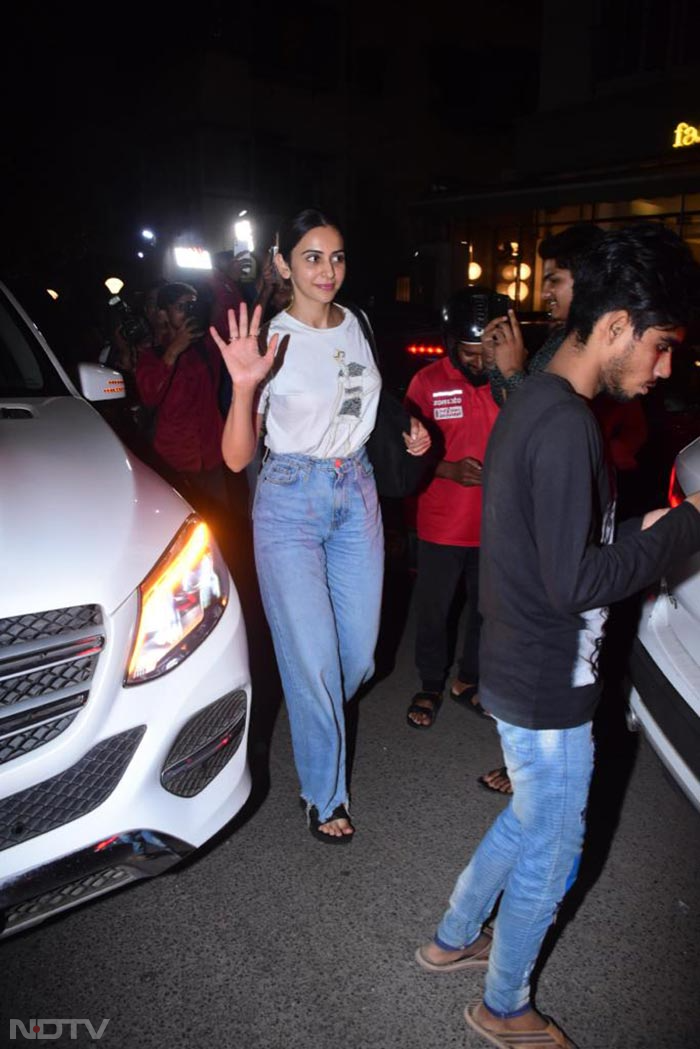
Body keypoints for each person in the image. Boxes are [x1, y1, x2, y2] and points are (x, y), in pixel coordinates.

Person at [415, 223, 700, 1049]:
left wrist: (642, 527)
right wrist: (682, 534)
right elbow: (575, 582)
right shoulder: (567, 423)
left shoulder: (536, 399)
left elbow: (558, 544)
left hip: (517, 658)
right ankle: (504, 1006)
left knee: (532, 817)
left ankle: (452, 936)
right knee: (557, 842)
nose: (666, 366)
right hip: (547, 677)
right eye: (660, 344)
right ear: (615, 327)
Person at [209, 208, 430, 843]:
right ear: (283, 263)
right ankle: (323, 794)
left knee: (358, 657)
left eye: (336, 257)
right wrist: (246, 386)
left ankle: (318, 707)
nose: (327, 270)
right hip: (288, 500)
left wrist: (404, 427)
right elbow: (235, 458)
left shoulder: (357, 322)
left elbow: (364, 393)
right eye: (312, 257)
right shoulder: (269, 340)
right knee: (311, 659)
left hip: (356, 490)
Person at [403, 287, 501, 729]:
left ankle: (469, 679)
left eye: (487, 352)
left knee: (488, 609)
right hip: (442, 523)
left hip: (498, 525)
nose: (478, 363)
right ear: (451, 345)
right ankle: (429, 683)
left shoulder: (512, 382)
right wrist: (447, 469)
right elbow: (403, 451)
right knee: (434, 609)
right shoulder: (428, 382)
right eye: (469, 352)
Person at [134, 281, 230, 527]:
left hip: (212, 457)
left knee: (221, 528)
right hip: (174, 464)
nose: (189, 311)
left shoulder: (207, 346)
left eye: (193, 305)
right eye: (181, 306)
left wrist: (222, 278)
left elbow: (233, 316)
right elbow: (149, 396)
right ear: (163, 313)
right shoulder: (151, 356)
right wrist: (173, 351)